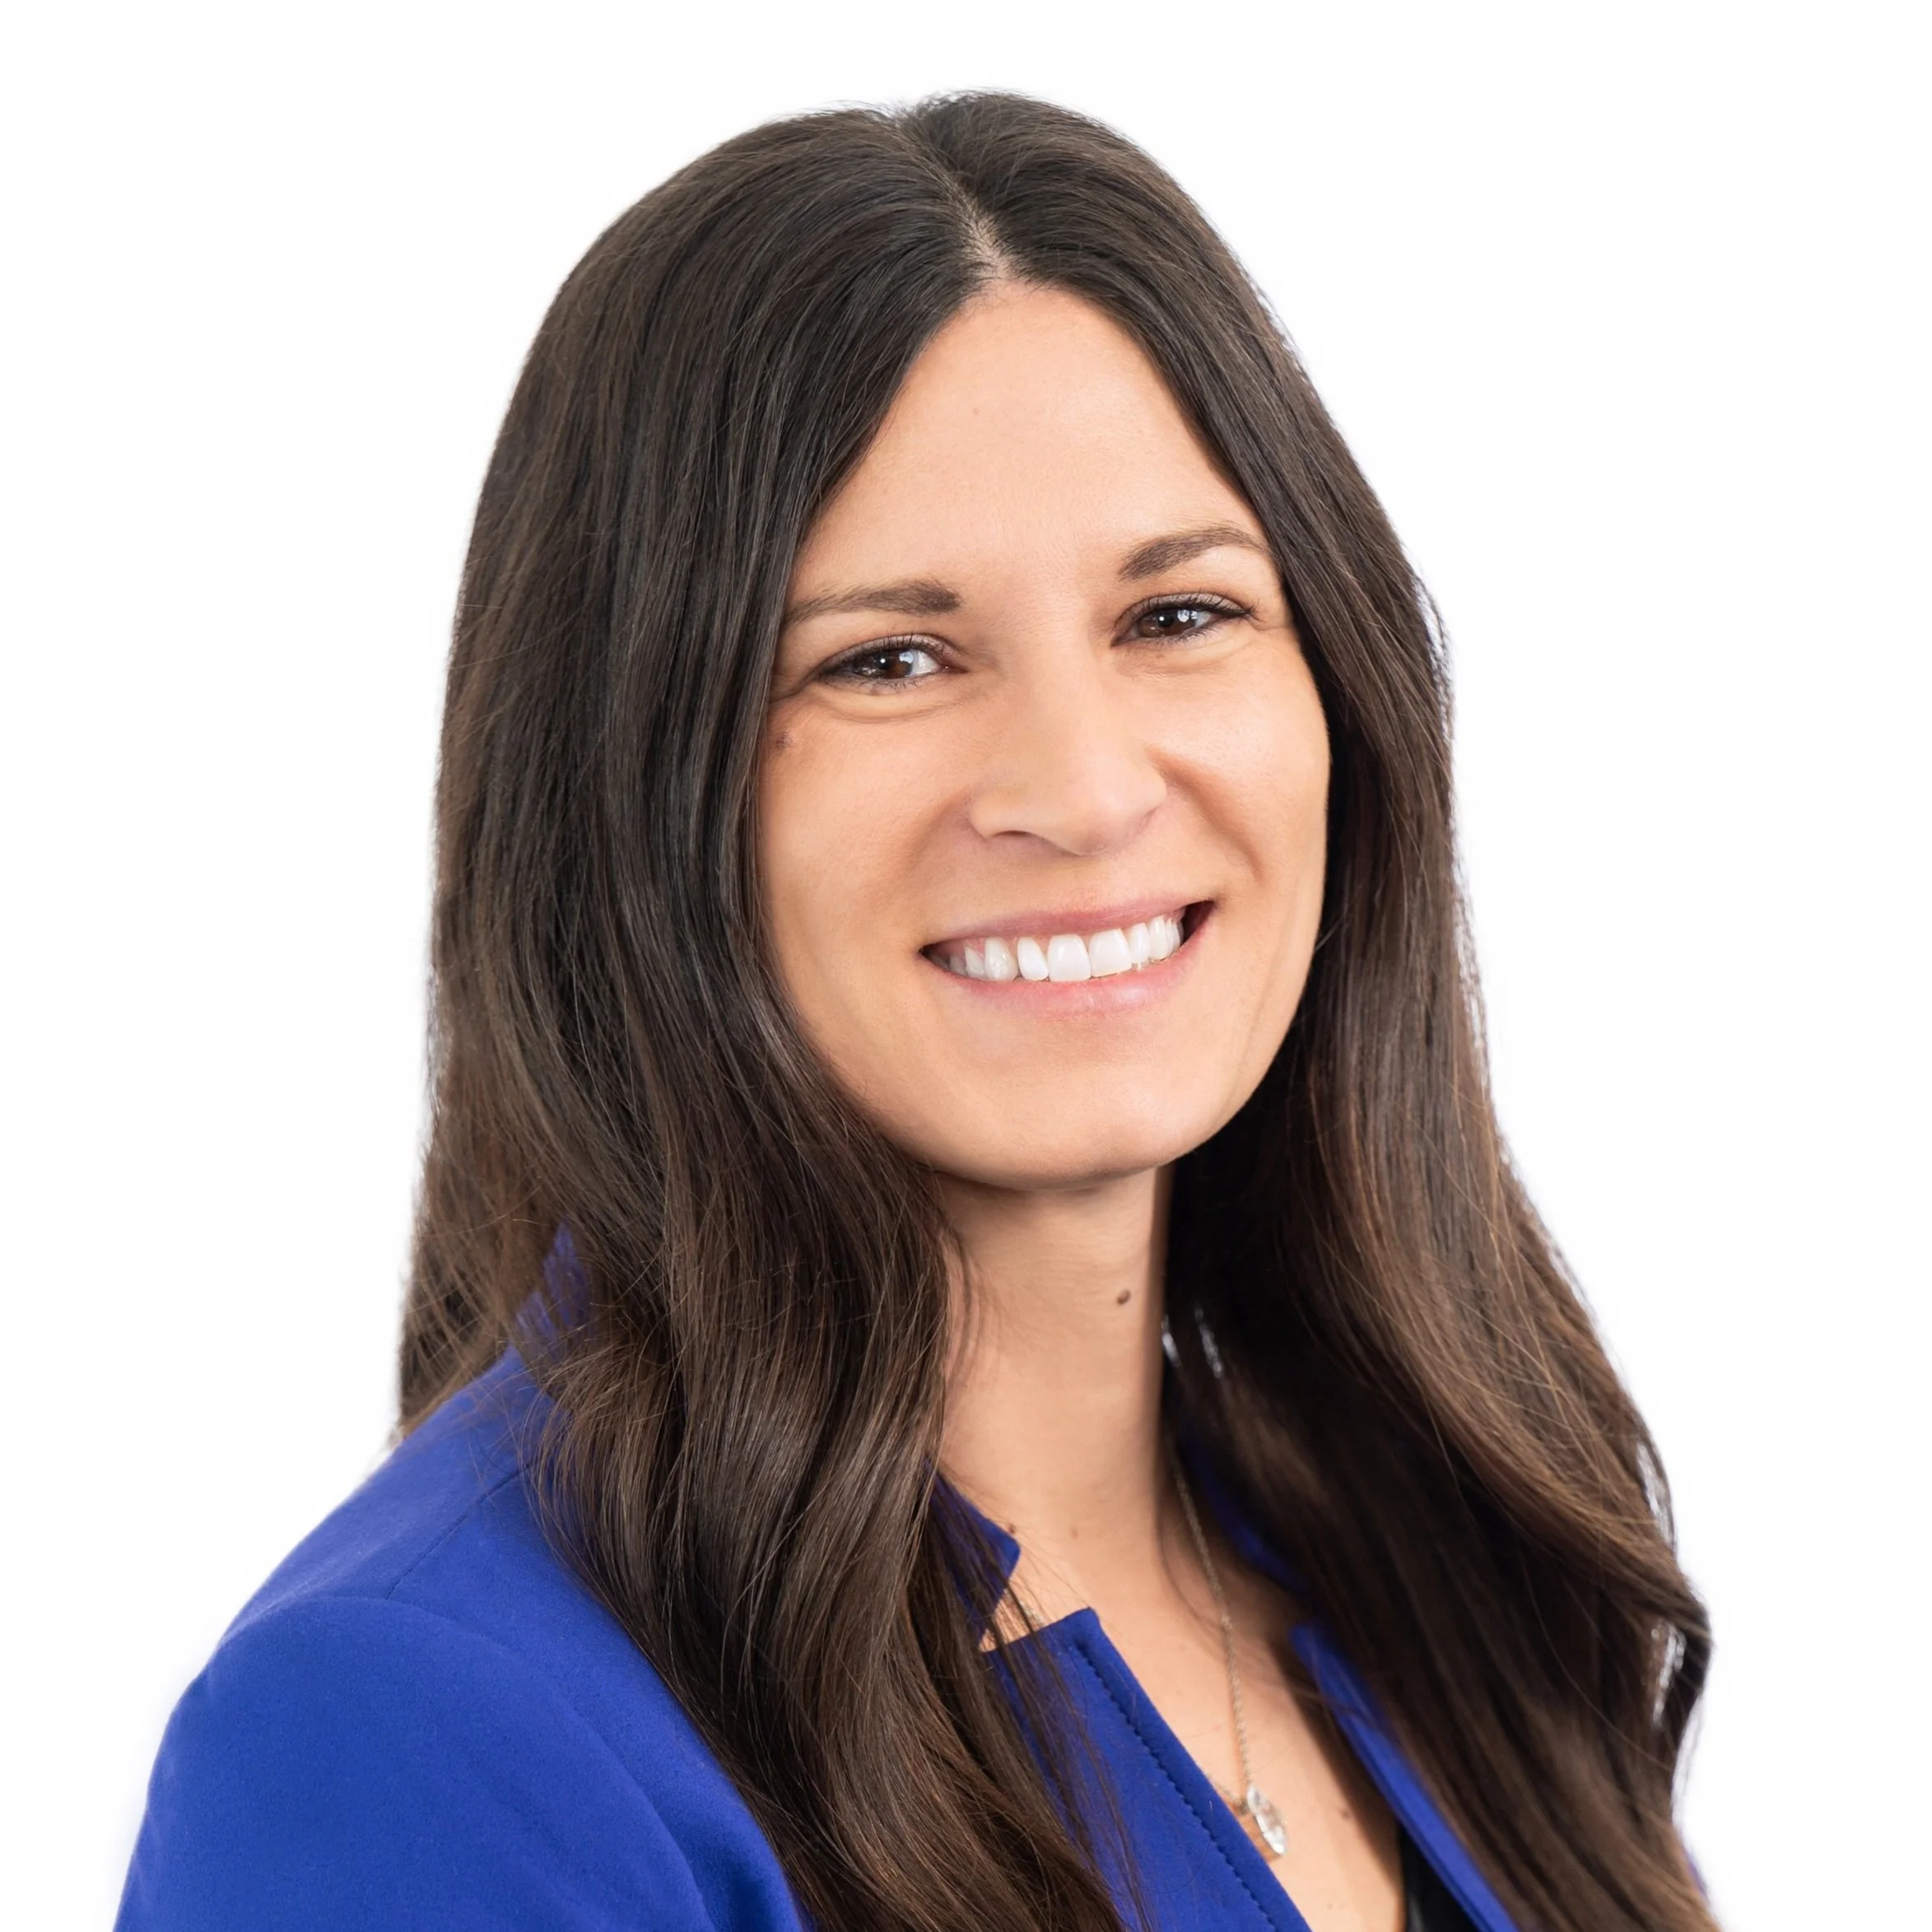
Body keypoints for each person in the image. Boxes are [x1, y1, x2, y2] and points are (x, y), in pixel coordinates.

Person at [116, 94, 1716, 1932]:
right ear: (629, 793)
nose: (1086, 786)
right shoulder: (413, 1735)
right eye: (891, 658)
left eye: (1177, 616)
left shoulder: (1445, 1598)